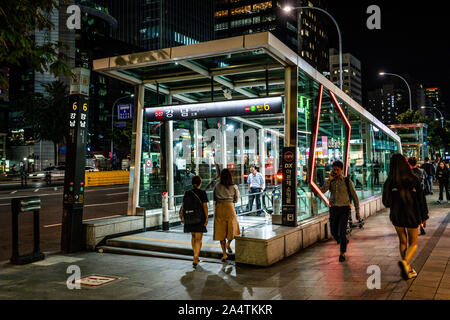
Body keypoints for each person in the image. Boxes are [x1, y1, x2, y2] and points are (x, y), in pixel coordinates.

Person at [382, 154, 429, 280]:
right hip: (412, 215)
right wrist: (424, 217)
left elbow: (385, 202)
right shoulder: (414, 179)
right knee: (413, 243)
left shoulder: (389, 181)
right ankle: (405, 263)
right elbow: (421, 200)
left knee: (402, 241)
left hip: (397, 216)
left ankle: (407, 268)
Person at [321, 160, 360, 262]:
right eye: (334, 170)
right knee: (333, 231)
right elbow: (322, 191)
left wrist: (357, 211)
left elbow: (355, 197)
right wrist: (329, 180)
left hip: (344, 209)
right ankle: (343, 241)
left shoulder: (347, 181)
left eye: (338, 170)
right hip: (334, 209)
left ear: (342, 170)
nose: (336, 172)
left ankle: (342, 253)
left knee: (342, 232)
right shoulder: (331, 181)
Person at [179, 175, 209, 267]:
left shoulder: (187, 192)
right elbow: (205, 206)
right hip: (199, 218)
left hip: (190, 217)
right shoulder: (202, 192)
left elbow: (183, 205)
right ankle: (196, 256)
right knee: (198, 238)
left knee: (193, 236)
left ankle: (194, 255)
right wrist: (207, 218)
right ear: (200, 183)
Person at [213, 168, 240, 262]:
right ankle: (229, 243)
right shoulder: (234, 186)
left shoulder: (217, 186)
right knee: (233, 228)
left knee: (221, 231)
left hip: (220, 208)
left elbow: (214, 198)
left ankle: (224, 254)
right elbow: (236, 199)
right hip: (230, 208)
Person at [407, 157, 428, 235]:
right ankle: (421, 225)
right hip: (421, 193)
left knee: (413, 210)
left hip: (411, 195)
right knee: (421, 209)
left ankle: (413, 226)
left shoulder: (408, 173)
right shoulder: (421, 171)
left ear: (409, 163)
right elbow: (426, 178)